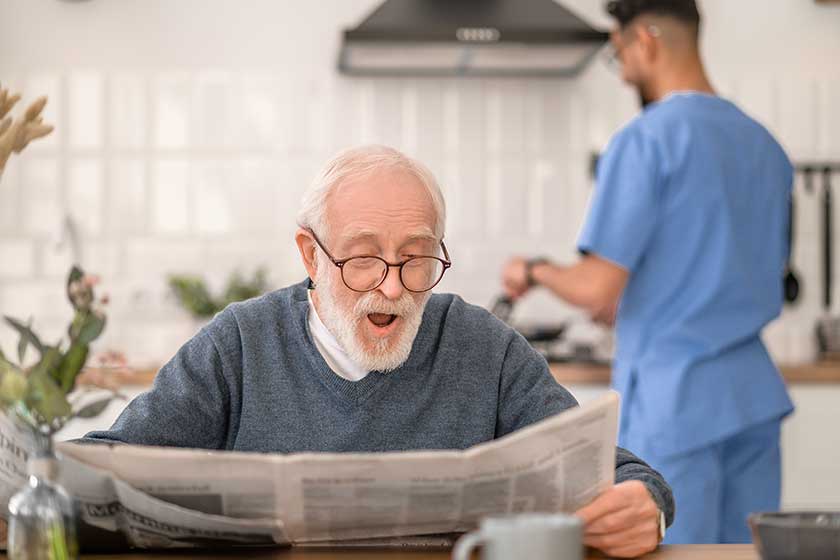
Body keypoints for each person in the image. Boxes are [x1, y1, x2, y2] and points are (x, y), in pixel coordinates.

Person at [85, 145, 674, 558]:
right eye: (362, 257)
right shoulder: (239, 343)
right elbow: (101, 469)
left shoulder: (484, 347)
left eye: (416, 257)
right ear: (311, 257)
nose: (391, 287)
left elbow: (620, 472)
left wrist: (642, 504)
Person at [502, 0, 794, 545]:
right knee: (744, 556)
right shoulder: (765, 145)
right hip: (753, 395)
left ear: (647, 42)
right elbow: (726, 262)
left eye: (620, 57)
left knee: (671, 554)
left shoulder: (645, 140)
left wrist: (534, 268)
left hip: (676, 399)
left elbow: (595, 286)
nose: (624, 74)